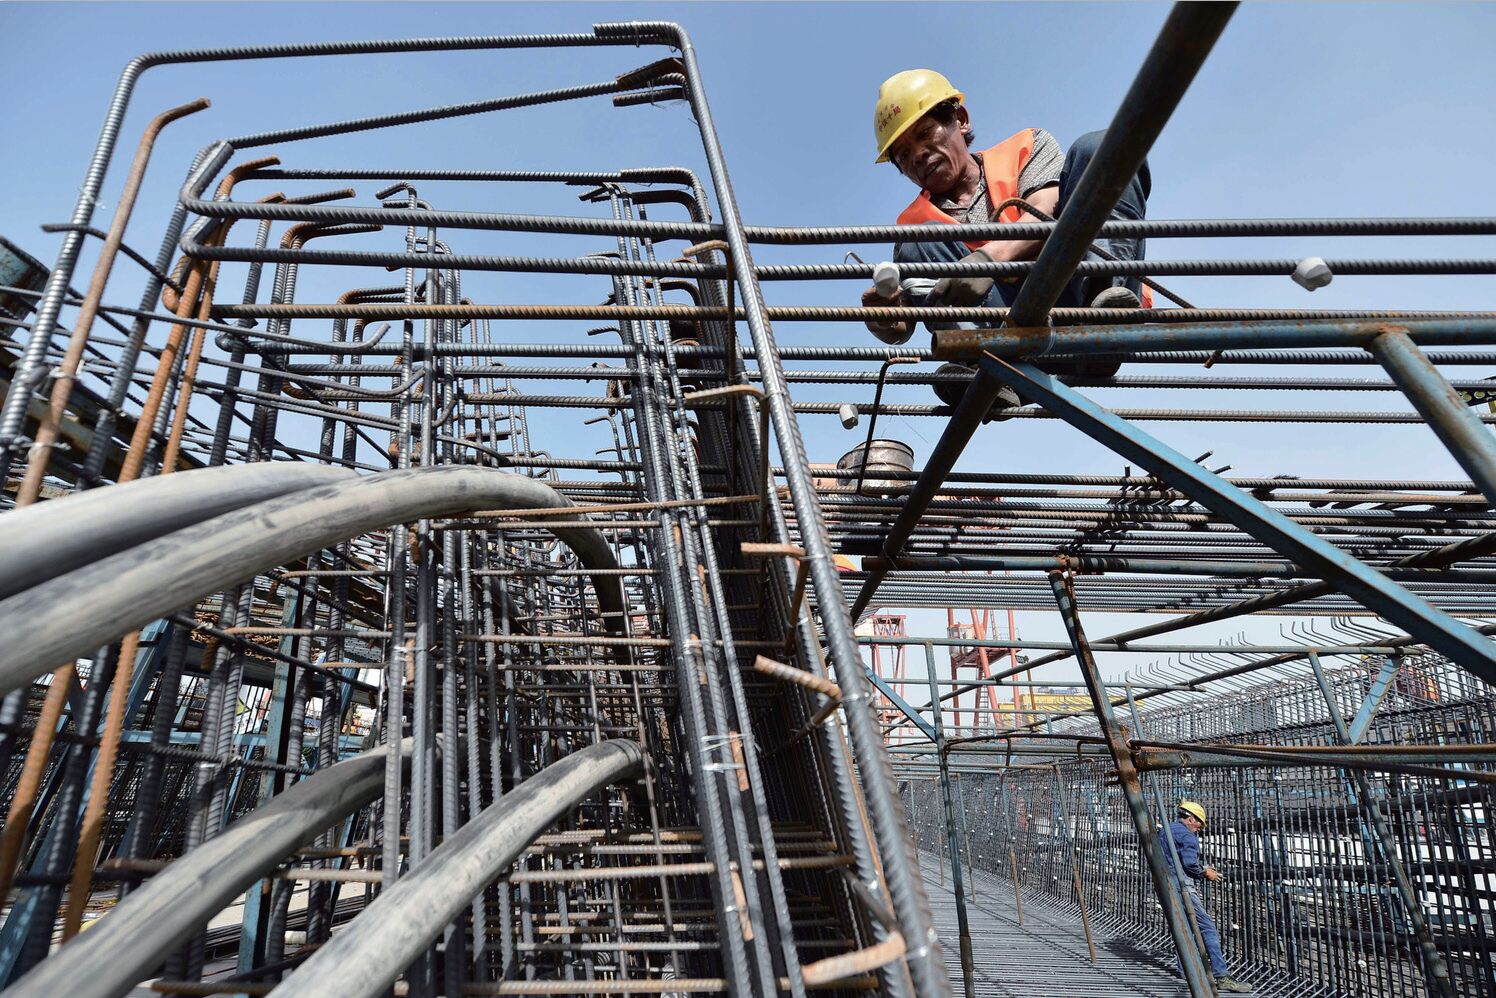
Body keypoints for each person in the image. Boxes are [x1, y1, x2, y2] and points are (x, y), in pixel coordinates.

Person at [860, 69, 1151, 420]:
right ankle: (990, 373)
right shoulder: (916, 229)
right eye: (903, 156)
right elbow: (909, 315)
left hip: (1080, 301)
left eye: (924, 134)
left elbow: (1048, 208)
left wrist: (987, 258)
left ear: (961, 120)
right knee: (915, 246)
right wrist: (886, 321)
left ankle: (1104, 317)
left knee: (1103, 147)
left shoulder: (1026, 148)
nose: (918, 155)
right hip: (1013, 345)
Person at [1161, 800, 1253, 993]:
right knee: (1208, 928)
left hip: (1165, 884)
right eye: (1199, 825)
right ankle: (1221, 976)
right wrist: (1205, 872)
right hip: (1182, 886)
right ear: (1191, 819)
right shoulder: (1187, 836)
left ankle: (1185, 970)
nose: (1199, 829)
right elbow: (1189, 864)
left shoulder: (1166, 830)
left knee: (1183, 926)